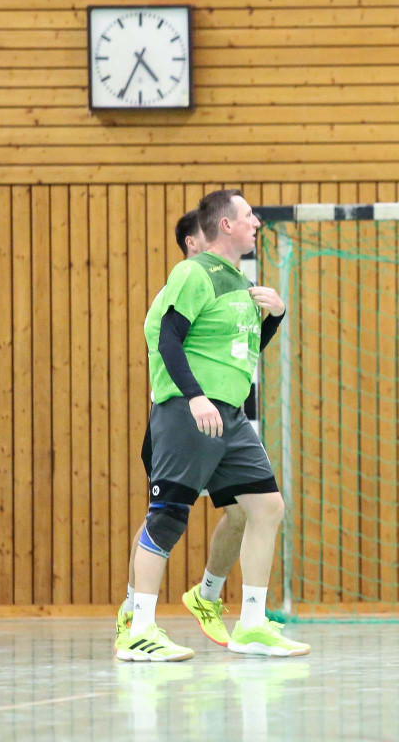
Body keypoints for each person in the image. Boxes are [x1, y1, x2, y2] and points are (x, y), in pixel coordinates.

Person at [115, 189, 309, 661]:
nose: (257, 222)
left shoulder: (240, 282)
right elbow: (168, 337)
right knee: (167, 517)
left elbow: (241, 352)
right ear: (225, 225)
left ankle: (251, 624)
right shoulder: (192, 273)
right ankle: (137, 628)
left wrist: (275, 318)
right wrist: (195, 396)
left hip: (231, 417)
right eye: (249, 216)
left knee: (265, 507)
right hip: (190, 411)